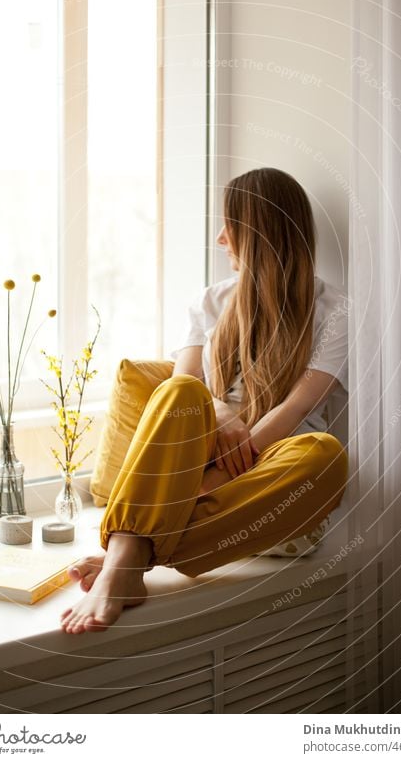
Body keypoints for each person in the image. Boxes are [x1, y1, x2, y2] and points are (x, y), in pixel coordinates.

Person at [60, 167, 349, 635]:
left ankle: (132, 554)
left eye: (228, 226)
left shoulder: (336, 312)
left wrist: (212, 478)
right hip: (188, 487)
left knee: (324, 453)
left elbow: (295, 409)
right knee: (177, 392)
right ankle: (129, 558)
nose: (220, 239)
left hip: (258, 503)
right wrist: (222, 417)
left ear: (256, 234)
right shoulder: (209, 303)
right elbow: (184, 384)